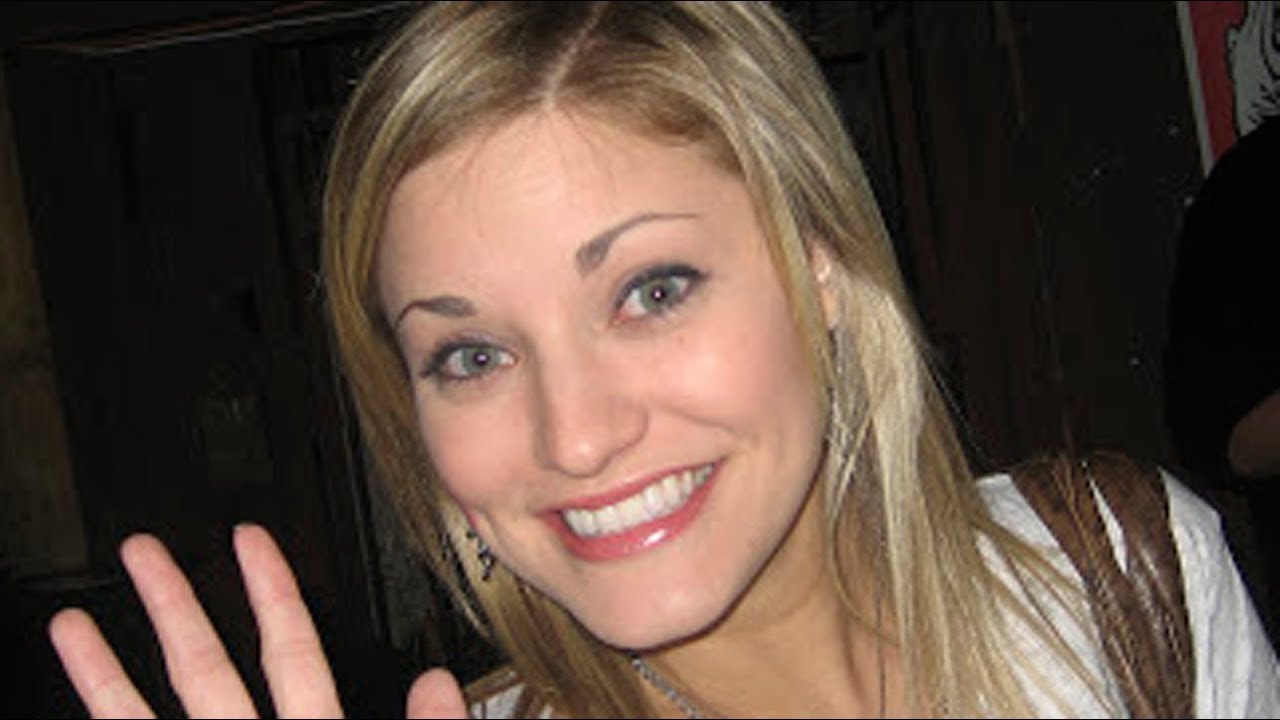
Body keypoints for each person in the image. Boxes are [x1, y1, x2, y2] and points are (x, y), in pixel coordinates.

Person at [47, 2, 1280, 717]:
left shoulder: (1115, 575)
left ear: (821, 268)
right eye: (470, 354)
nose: (576, 437)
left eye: (649, 291)